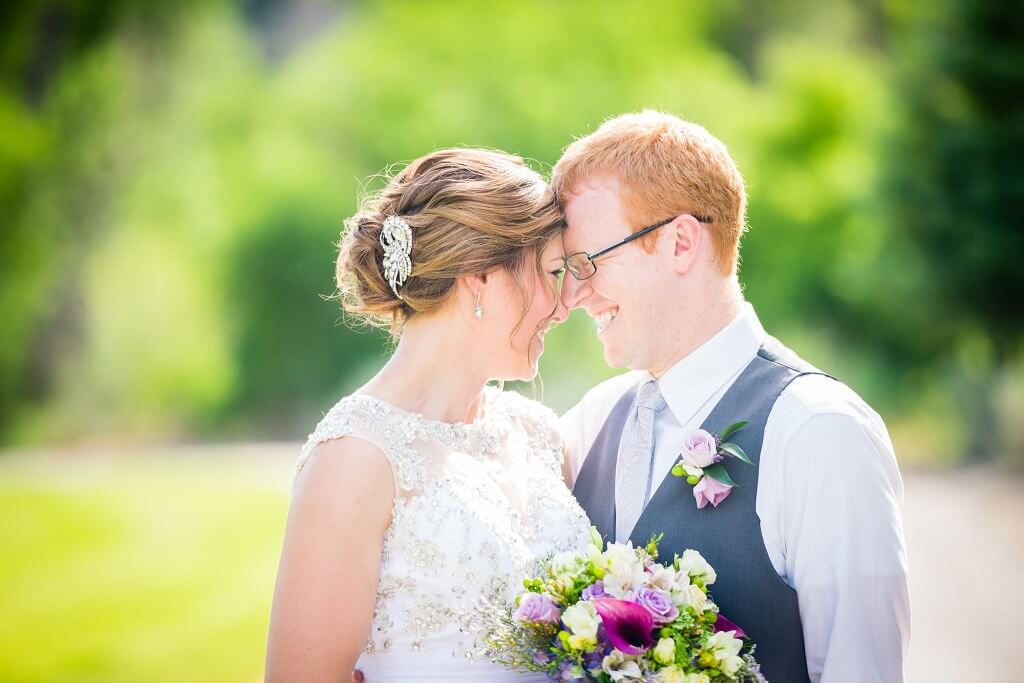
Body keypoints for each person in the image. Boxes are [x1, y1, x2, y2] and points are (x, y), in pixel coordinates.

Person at [555, 111, 911, 682]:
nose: (575, 294)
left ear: (680, 242)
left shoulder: (820, 432)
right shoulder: (593, 420)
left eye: (589, 262)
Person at [264, 148, 591, 682]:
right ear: (481, 276)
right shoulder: (356, 459)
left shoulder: (540, 435)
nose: (563, 306)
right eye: (553, 273)